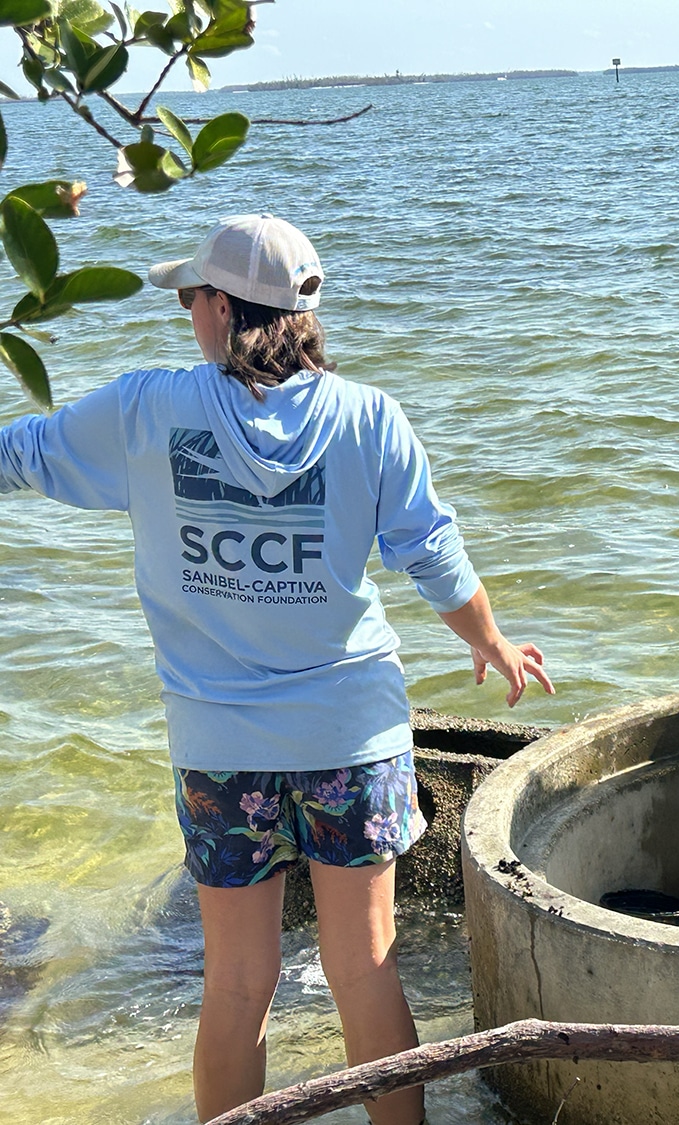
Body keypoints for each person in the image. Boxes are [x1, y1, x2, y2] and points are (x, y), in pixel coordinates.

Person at [0, 214, 553, 1124]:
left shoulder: (149, 408)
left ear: (219, 307)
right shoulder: (369, 416)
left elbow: (21, 455)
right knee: (365, 973)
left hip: (219, 747)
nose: (187, 313)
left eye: (189, 298)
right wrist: (489, 641)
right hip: (351, 733)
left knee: (235, 987)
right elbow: (433, 553)